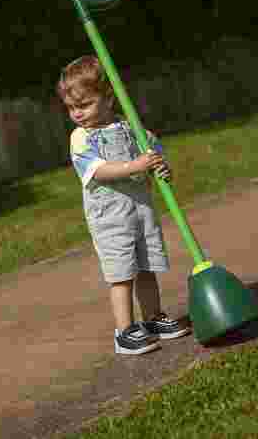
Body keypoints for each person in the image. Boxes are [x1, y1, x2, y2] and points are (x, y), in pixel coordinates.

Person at [56, 55, 190, 355]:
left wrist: (160, 166)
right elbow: (98, 171)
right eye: (71, 108)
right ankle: (125, 331)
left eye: (84, 105)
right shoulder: (81, 138)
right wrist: (135, 165)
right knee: (122, 273)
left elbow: (153, 152)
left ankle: (153, 318)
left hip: (141, 212)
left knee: (146, 267)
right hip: (110, 218)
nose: (77, 113)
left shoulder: (130, 127)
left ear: (108, 97)